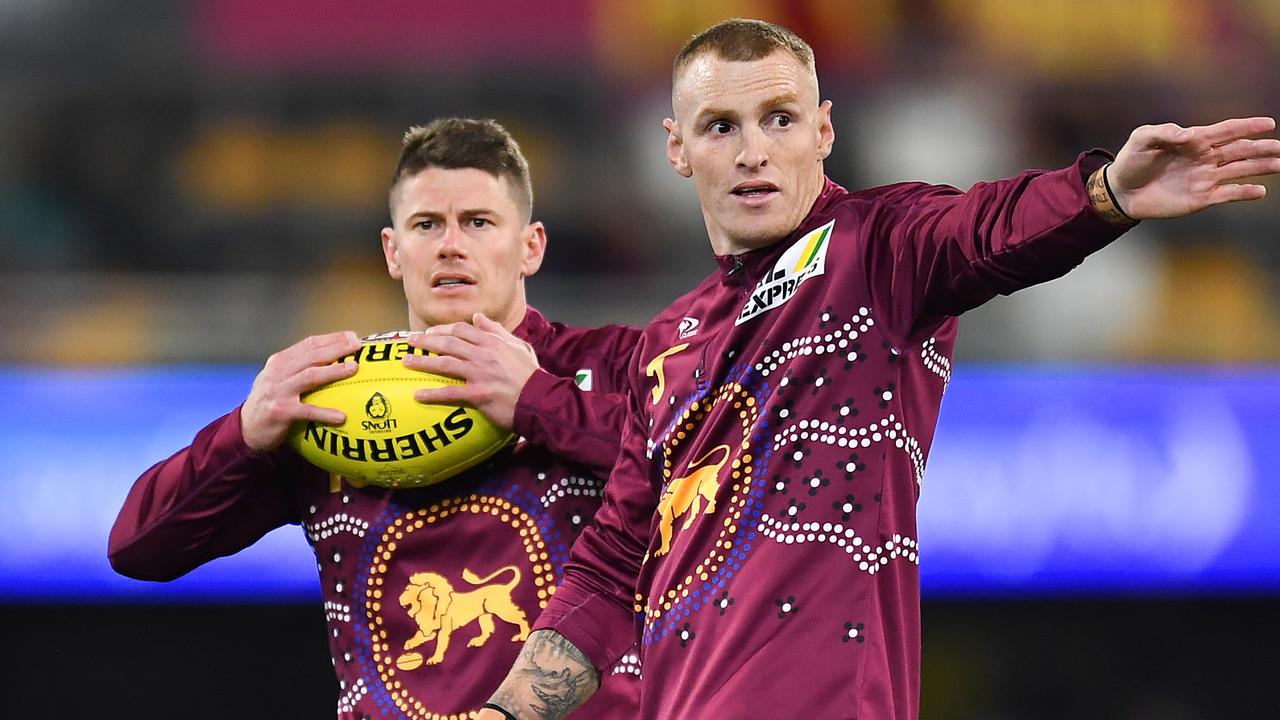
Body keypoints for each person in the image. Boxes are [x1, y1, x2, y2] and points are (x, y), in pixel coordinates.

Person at [477, 19, 1280, 720]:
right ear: (676, 149)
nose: (754, 151)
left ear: (823, 131)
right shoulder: (668, 342)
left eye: (779, 119)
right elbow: (613, 564)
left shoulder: (878, 249)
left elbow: (984, 231)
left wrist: (1100, 193)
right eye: (720, 126)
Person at [109, 118, 642, 719]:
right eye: (426, 225)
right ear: (392, 251)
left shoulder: (618, 364)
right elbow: (138, 547)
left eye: (478, 222)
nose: (450, 245)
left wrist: (540, 403)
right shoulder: (333, 405)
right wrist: (244, 433)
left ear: (531, 247)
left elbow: (717, 482)